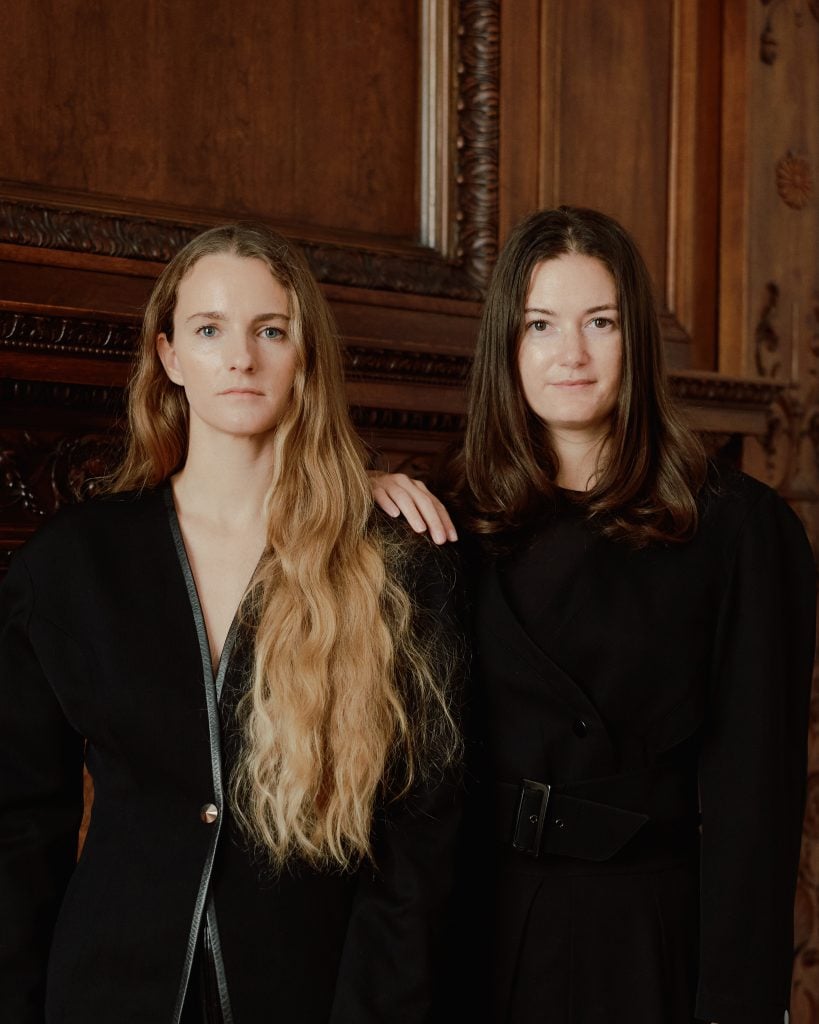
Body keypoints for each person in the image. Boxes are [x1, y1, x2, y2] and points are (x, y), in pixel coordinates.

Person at [0, 224, 463, 1024]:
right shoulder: (72, 563)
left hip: (311, 995)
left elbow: (420, 837)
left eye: (270, 331)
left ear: (303, 356)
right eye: (210, 330)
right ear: (170, 356)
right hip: (108, 992)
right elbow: (15, 830)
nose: (241, 359)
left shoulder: (389, 559)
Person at [372, 206, 816, 1024]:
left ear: (634, 340)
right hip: (476, 933)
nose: (569, 354)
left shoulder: (739, 529)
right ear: (508, 344)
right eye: (540, 324)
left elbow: (756, 805)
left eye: (598, 322)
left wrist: (738, 1006)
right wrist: (352, 497)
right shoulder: (443, 521)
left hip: (644, 939)